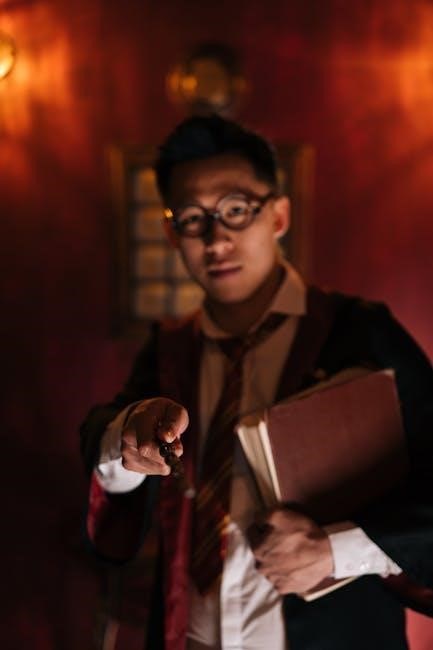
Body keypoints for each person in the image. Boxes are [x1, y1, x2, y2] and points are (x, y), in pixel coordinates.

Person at [81, 115, 433, 650]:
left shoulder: (359, 333)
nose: (217, 239)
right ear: (172, 235)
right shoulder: (170, 350)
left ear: (279, 215)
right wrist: (127, 439)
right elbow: (100, 437)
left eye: (237, 209)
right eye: (193, 219)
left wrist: (334, 550)